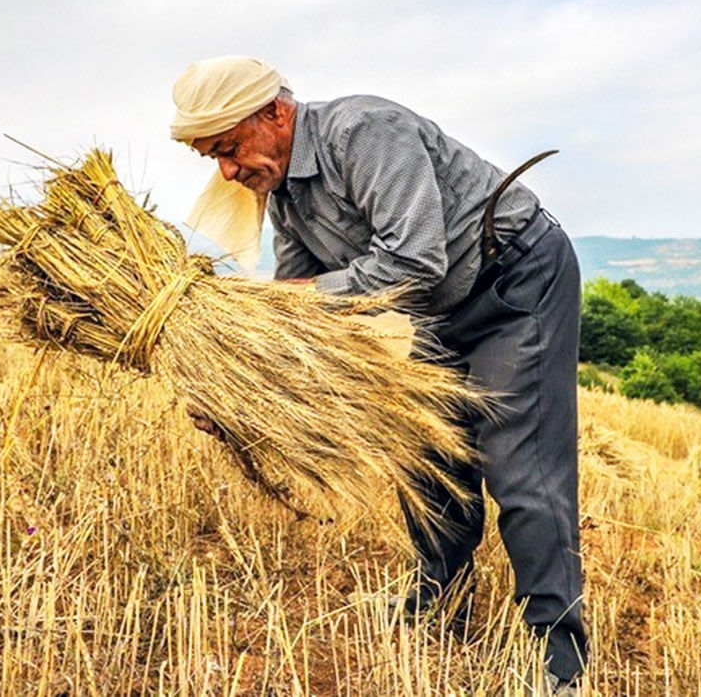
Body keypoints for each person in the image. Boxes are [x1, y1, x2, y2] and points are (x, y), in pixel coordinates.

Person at [170, 56, 586, 689]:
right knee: (427, 457)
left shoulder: (364, 132)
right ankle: (435, 604)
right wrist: (238, 380)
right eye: (214, 159)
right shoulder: (285, 196)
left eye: (230, 148)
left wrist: (302, 299)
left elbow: (414, 258)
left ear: (274, 113)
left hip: (513, 280)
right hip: (437, 308)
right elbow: (299, 309)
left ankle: (559, 654)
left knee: (520, 466)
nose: (228, 171)